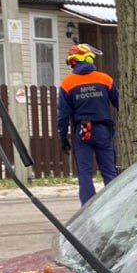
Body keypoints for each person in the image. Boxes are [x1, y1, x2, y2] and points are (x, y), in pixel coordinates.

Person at [55, 43, 119, 204]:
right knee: (109, 171)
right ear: (89, 58)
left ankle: (88, 209)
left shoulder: (67, 83)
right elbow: (119, 103)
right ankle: (115, 204)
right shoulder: (105, 79)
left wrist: (63, 137)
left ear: (74, 62)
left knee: (85, 173)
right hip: (103, 130)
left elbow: (63, 115)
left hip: (83, 131)